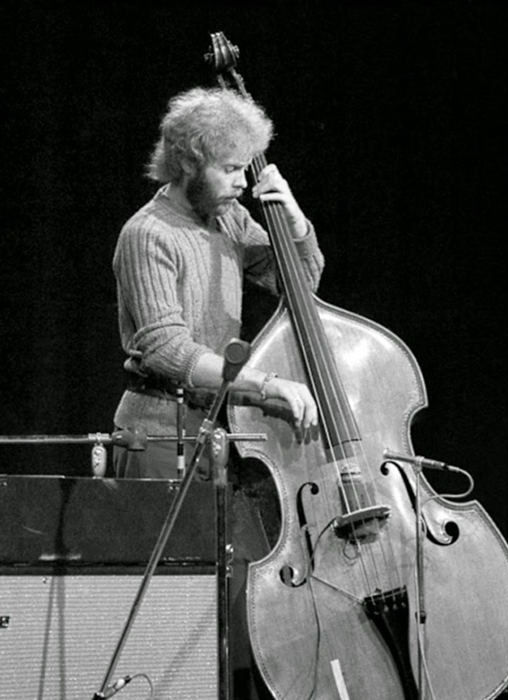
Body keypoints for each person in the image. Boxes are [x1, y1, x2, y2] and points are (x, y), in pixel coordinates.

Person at [111, 86, 325, 699]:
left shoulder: (228, 217)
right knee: (175, 613)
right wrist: (264, 383)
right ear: (187, 163)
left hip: (218, 436)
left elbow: (299, 286)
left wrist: (295, 222)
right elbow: (165, 349)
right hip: (159, 433)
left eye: (244, 167)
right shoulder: (148, 233)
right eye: (230, 168)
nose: (241, 181)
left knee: (244, 610)